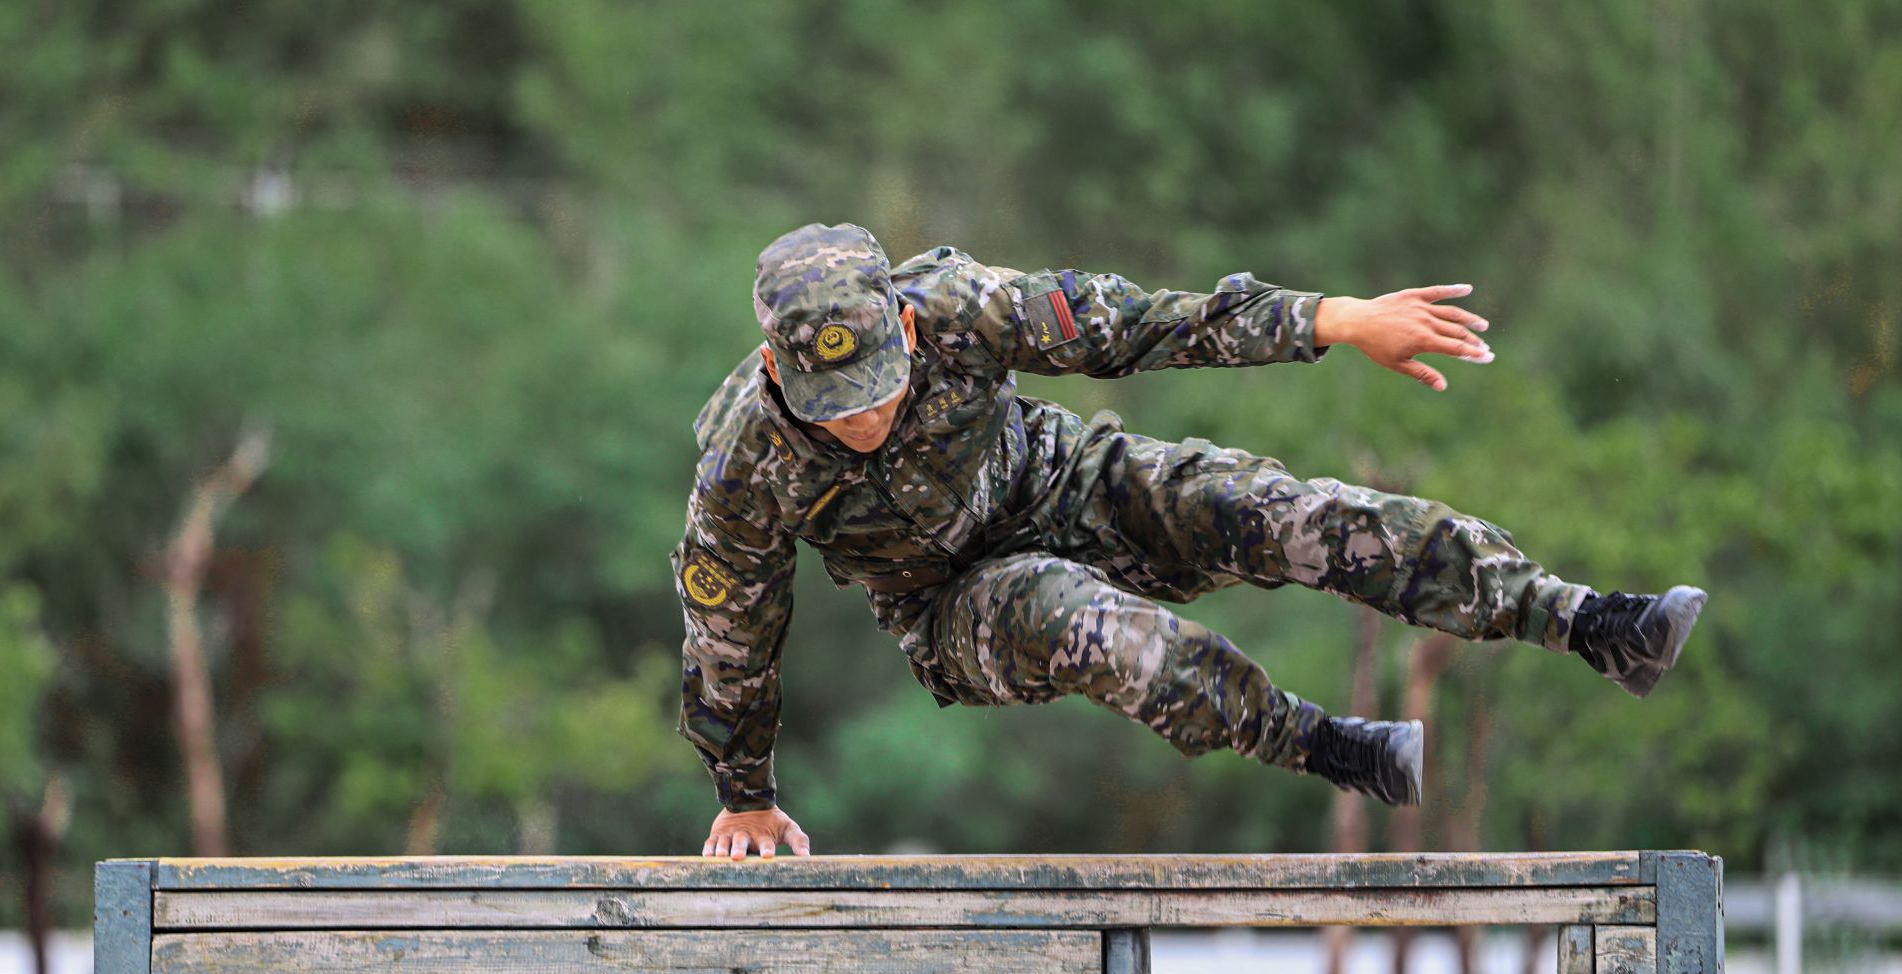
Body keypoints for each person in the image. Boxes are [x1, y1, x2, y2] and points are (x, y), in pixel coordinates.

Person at [674, 222, 1705, 861]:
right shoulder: (743, 466)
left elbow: (1137, 325)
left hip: (1068, 477)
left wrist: (1330, 319)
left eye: (879, 396)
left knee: (1284, 510)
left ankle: (1590, 622)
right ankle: (1326, 743)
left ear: (903, 327)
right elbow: (732, 636)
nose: (862, 422)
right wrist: (747, 795)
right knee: (1095, 626)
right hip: (955, 603)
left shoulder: (964, 308)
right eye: (832, 409)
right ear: (776, 362)